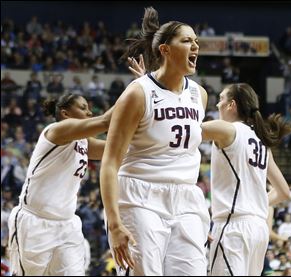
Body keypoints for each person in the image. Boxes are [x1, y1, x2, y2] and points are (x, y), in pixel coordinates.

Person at [100, 6, 210, 276]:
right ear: (165, 50)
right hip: (141, 197)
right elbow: (110, 163)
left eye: (196, 41)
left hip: (186, 196)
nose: (195, 45)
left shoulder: (199, 94)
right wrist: (114, 225)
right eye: (187, 40)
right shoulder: (137, 94)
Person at [8, 93, 113, 276]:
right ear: (65, 114)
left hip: (67, 224)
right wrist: (142, 87)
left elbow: (116, 148)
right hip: (35, 223)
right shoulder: (56, 131)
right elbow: (105, 121)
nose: (89, 112)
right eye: (83, 108)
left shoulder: (84, 142)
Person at [200, 83, 291, 276]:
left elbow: (182, 129)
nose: (217, 105)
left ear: (232, 105)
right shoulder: (261, 142)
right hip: (257, 229)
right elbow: (283, 191)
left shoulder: (227, 129)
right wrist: (253, 203)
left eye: (221, 99)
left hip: (233, 229)